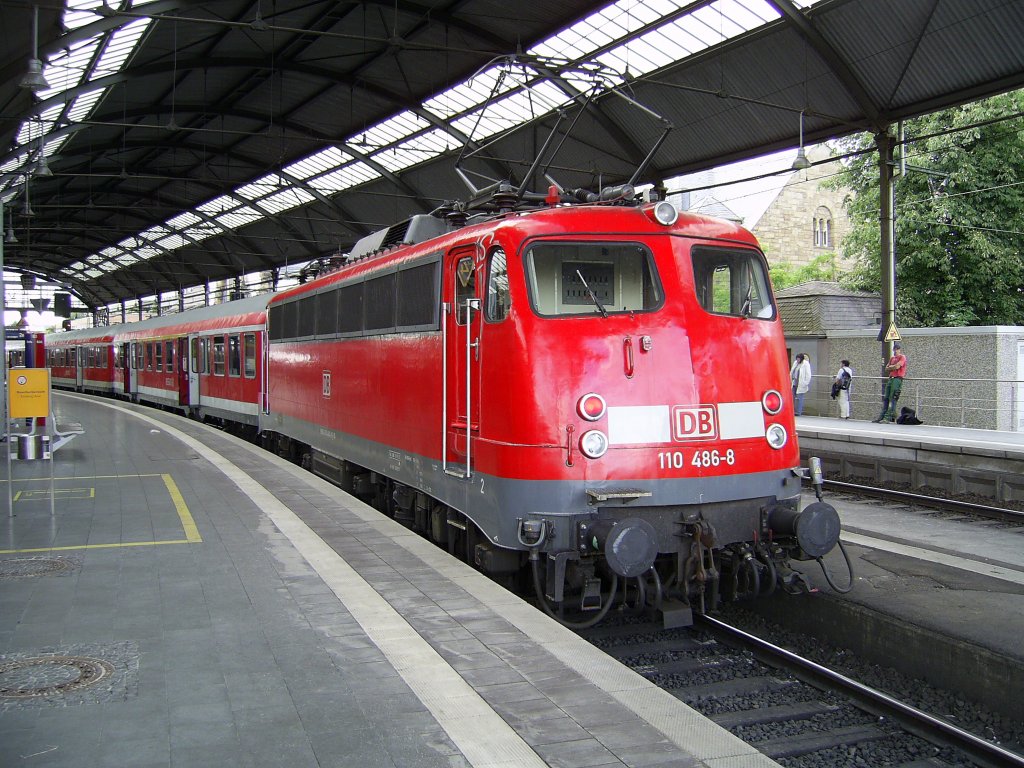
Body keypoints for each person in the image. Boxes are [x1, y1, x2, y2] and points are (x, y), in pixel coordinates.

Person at [873, 342, 907, 423]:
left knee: (893, 397)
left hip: (897, 379)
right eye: (894, 350)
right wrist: (892, 367)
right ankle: (883, 415)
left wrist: (891, 367)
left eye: (897, 350)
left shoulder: (902, 357)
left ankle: (888, 416)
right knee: (886, 397)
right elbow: (886, 368)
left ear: (899, 350)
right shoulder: (892, 358)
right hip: (891, 378)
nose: (895, 351)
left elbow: (897, 366)